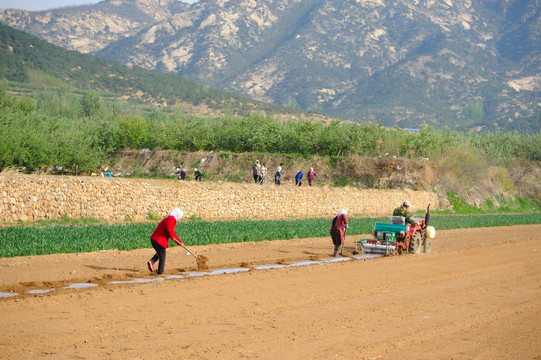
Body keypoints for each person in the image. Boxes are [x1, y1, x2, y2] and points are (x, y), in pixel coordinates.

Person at [147, 208, 184, 275]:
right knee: (162, 256)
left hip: (154, 239)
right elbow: (170, 230)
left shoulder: (168, 218)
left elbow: (172, 232)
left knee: (160, 253)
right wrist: (173, 238)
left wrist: (179, 242)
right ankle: (160, 272)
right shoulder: (171, 219)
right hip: (159, 240)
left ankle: (152, 261)